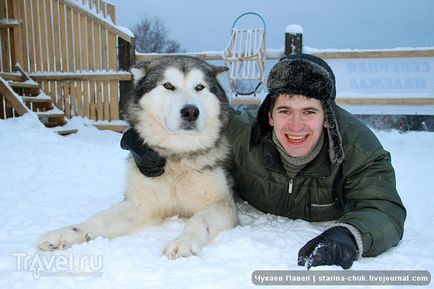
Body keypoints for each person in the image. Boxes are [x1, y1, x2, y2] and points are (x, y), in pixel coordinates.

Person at [121, 54, 406, 269]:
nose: (296, 125)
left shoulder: (359, 147)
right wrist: (137, 141)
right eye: (284, 111)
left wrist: (351, 236)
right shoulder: (243, 133)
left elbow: (384, 209)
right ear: (270, 115)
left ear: (328, 117)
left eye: (309, 111)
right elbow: (180, 121)